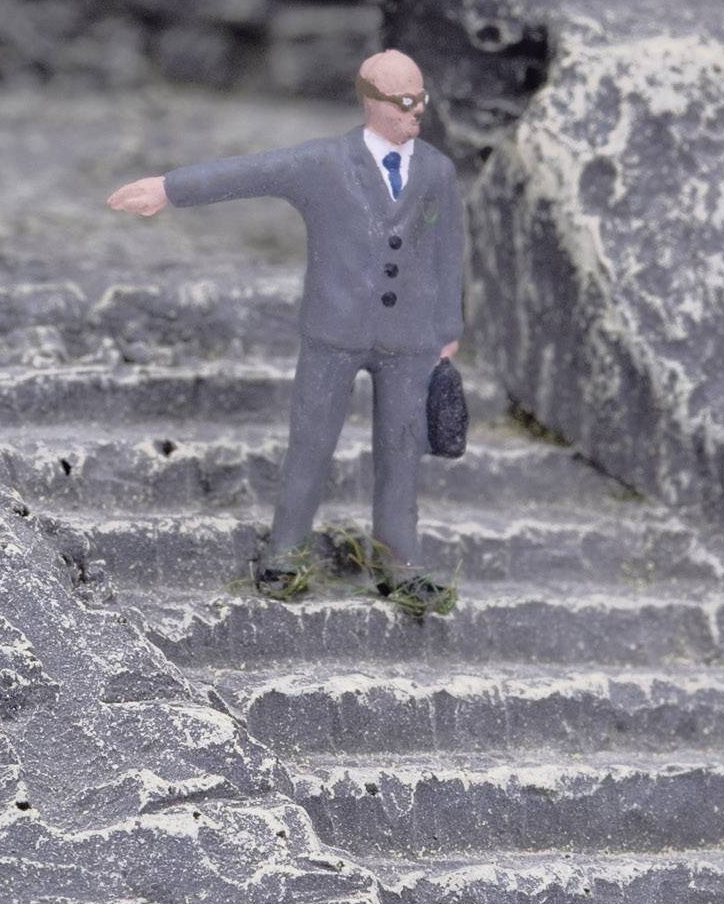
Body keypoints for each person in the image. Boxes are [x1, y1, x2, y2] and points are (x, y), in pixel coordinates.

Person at [105, 49, 463, 611]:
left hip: (411, 339)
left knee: (401, 449)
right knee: (310, 445)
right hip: (334, 332)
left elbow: (448, 252)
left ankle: (399, 557)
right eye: (403, 102)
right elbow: (252, 172)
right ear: (370, 101)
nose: (415, 112)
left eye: (421, 99)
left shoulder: (437, 171)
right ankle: (285, 550)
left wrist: (448, 326)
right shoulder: (323, 163)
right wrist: (170, 188)